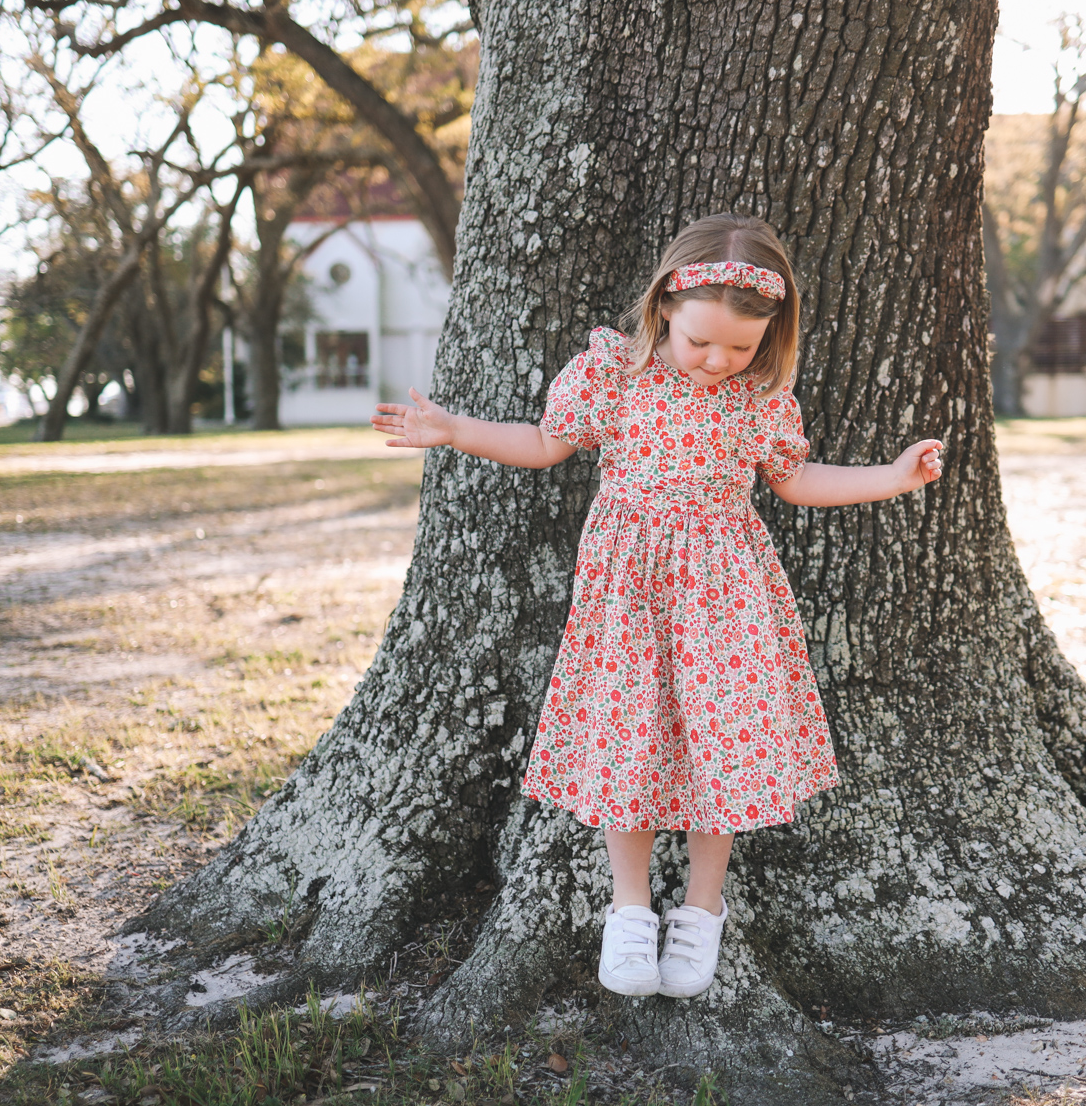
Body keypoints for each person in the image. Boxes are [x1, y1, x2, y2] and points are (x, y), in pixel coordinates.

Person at [372, 213, 944, 1000]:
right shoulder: (612, 373)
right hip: (629, 598)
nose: (718, 361)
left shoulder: (760, 399)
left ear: (770, 336)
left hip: (724, 597)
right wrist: (453, 429)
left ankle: (702, 909)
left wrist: (893, 475)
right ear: (665, 308)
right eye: (702, 341)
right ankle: (631, 907)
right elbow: (545, 443)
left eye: (740, 348)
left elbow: (797, 481)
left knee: (724, 738)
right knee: (631, 735)